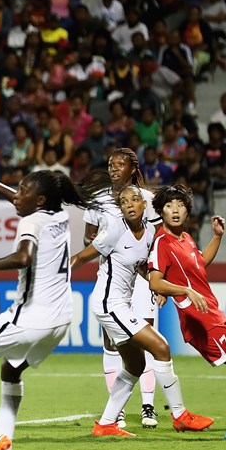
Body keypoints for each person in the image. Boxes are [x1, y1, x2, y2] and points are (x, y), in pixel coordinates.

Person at [0, 166, 96, 450]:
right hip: (61, 320)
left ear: (40, 199)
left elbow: (23, 257)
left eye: (23, 191)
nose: (17, 196)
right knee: (10, 372)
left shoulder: (31, 221)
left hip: (30, 316)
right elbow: (27, 202)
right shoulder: (59, 215)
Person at [70, 186, 214, 437]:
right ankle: (180, 415)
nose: (129, 204)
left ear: (144, 205)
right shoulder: (114, 231)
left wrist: (157, 288)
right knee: (161, 347)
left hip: (121, 305)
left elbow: (142, 268)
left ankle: (105, 424)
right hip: (108, 304)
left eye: (134, 199)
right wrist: (54, 275)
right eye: (123, 202)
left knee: (135, 365)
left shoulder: (150, 233)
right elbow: (82, 257)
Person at [148, 185, 226, 440]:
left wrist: (217, 236)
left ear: (188, 210)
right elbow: (155, 281)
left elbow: (199, 262)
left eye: (180, 205)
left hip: (215, 313)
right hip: (200, 320)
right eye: (168, 205)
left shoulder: (185, 238)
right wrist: (184, 290)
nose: (175, 210)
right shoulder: (161, 243)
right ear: (161, 211)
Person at [83, 148, 162, 428]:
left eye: (120, 164)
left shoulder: (148, 199)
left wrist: (156, 278)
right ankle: (115, 413)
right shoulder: (99, 200)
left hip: (141, 274)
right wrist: (105, 245)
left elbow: (156, 238)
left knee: (149, 339)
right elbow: (88, 238)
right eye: (110, 164)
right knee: (114, 343)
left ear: (132, 168)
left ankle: (148, 406)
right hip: (114, 275)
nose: (114, 168)